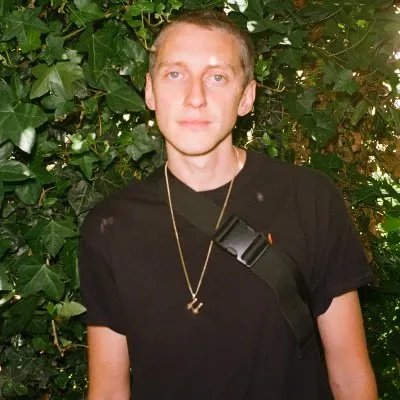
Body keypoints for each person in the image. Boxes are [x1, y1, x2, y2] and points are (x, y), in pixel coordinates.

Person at [79, 10, 378, 400]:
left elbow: (350, 375)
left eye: (217, 77)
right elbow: (108, 389)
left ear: (246, 97)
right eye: (175, 74)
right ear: (150, 91)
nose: (195, 98)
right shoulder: (109, 226)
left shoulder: (309, 198)